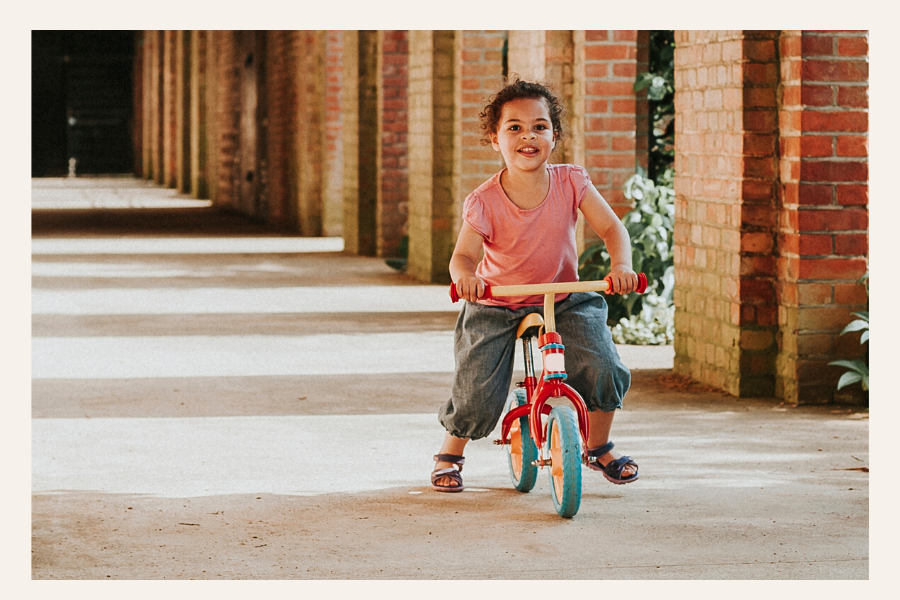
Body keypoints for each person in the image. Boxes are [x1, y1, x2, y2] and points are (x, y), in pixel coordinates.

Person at [431, 78, 640, 493]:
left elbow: (612, 228)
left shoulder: (571, 182)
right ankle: (450, 452)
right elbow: (463, 257)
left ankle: (598, 447)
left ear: (554, 136)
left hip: (561, 295)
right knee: (476, 386)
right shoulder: (485, 200)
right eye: (514, 128)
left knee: (603, 365)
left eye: (540, 127)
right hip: (497, 301)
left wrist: (621, 265)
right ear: (495, 140)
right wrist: (466, 279)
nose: (528, 135)